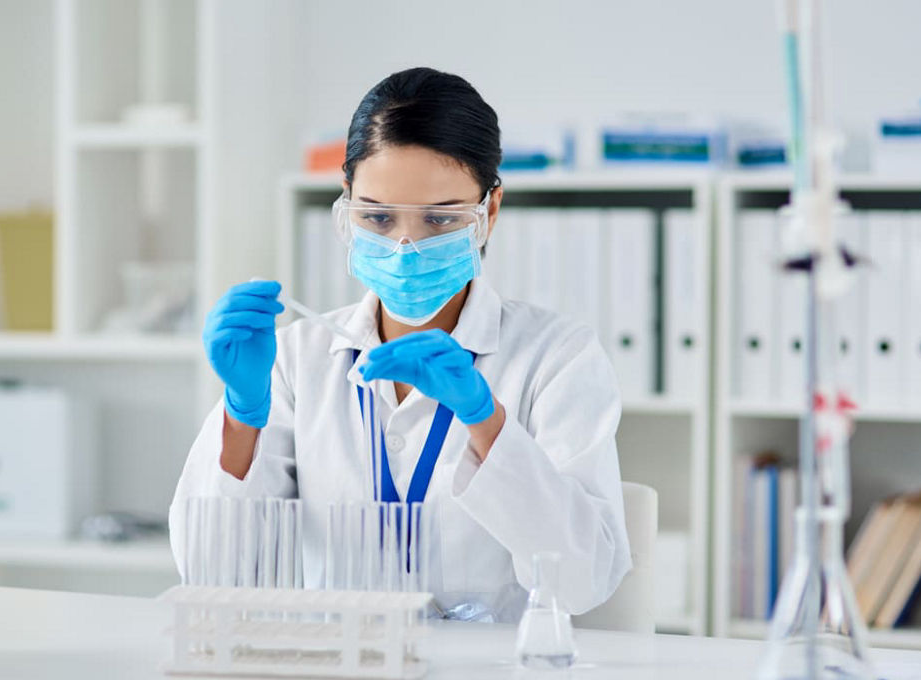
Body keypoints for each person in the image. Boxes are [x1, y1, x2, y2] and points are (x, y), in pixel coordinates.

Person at [170, 67, 630, 622]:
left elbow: (582, 580)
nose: (406, 246)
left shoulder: (557, 358)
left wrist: (486, 421)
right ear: (347, 203)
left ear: (490, 210)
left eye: (440, 219)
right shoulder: (297, 359)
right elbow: (212, 574)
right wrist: (244, 414)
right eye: (379, 216)